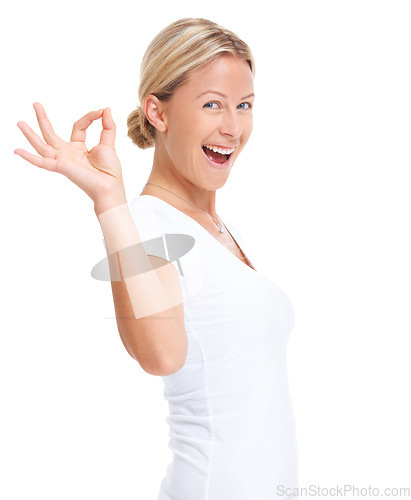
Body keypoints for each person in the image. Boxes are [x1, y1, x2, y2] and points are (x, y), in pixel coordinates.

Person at [14, 17, 299, 500]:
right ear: (158, 112)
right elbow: (162, 356)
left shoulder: (214, 229)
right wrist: (109, 202)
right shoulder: (149, 226)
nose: (233, 128)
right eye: (212, 105)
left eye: (244, 106)